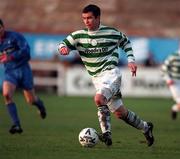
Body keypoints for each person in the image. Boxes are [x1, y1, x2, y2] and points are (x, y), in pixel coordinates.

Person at [58, 4, 154, 147]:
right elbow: (62, 44)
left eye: (89, 18)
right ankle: (146, 127)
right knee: (120, 113)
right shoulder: (78, 36)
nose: (86, 21)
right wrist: (63, 49)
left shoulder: (110, 33)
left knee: (99, 98)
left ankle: (106, 134)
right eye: (84, 18)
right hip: (97, 79)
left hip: (111, 73)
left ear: (98, 18)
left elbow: (126, 42)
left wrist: (131, 61)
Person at [0, 19, 46, 134]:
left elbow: (26, 51)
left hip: (24, 70)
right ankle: (16, 124)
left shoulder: (15, 37)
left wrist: (10, 57)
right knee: (6, 95)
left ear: (3, 27)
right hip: (10, 72)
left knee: (31, 100)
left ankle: (40, 105)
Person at [162, 50, 180, 120]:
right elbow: (164, 68)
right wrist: (168, 79)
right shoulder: (173, 56)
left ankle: (174, 108)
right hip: (174, 83)